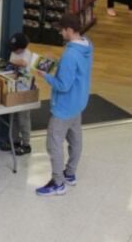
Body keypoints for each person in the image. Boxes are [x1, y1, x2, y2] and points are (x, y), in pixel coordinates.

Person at [34, 13, 93, 196]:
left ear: (69, 30)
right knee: (75, 139)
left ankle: (58, 182)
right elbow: (75, 73)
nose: (60, 33)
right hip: (79, 101)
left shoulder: (70, 55)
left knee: (54, 143)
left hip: (64, 107)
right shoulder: (88, 44)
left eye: (61, 30)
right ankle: (70, 173)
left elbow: (63, 85)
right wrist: (58, 62)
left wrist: (46, 76)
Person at [0, 32, 33, 155]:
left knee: (23, 119)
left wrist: (12, 62)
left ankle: (26, 143)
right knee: (13, 118)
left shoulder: (28, 54)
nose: (14, 51)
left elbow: (23, 63)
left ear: (23, 48)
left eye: (16, 49)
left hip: (25, 91)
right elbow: (12, 63)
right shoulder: (14, 52)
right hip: (14, 89)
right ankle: (14, 140)